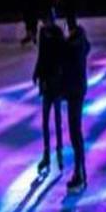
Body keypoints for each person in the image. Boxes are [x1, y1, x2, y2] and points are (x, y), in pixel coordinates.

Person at [34, 13, 69, 176]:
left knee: (57, 119)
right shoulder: (42, 33)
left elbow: (62, 58)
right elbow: (41, 55)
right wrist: (37, 73)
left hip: (56, 82)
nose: (44, 23)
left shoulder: (58, 33)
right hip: (46, 82)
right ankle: (47, 154)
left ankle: (59, 151)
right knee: (46, 121)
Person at [63, 13, 91, 192]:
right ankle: (80, 171)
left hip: (74, 90)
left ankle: (79, 173)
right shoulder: (82, 42)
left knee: (75, 132)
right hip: (78, 88)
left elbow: (66, 55)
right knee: (75, 131)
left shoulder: (72, 45)